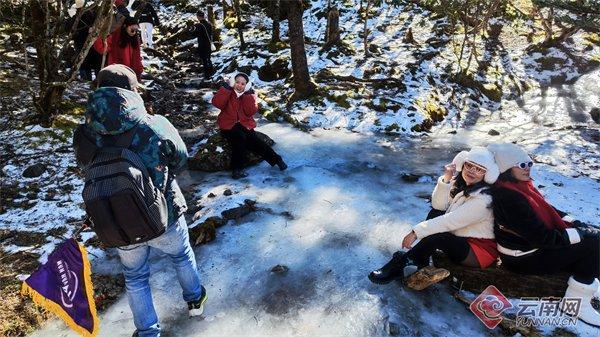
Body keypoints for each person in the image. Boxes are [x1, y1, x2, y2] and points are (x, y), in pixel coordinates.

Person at [78, 64, 206, 337]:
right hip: (163, 213)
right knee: (181, 255)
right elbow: (181, 158)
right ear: (132, 91)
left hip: (117, 219)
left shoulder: (85, 133)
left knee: (135, 277)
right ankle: (195, 300)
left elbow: (85, 166)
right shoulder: (153, 124)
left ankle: (148, 332)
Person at [487, 142, 600, 327]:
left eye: (529, 163)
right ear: (507, 168)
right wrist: (579, 234)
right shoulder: (508, 196)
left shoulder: (521, 187)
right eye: (522, 165)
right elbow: (542, 237)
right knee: (594, 243)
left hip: (529, 248)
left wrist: (576, 223)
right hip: (522, 257)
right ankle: (576, 305)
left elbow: (550, 210)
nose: (527, 168)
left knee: (593, 234)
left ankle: (586, 280)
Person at [369, 147, 500, 285]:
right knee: (434, 214)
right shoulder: (463, 184)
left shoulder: (484, 199)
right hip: (461, 237)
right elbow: (438, 206)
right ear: (463, 164)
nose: (472, 171)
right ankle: (419, 260)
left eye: (479, 169)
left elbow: (450, 221)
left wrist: (415, 232)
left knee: (438, 235)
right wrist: (447, 179)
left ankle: (402, 264)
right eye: (469, 165)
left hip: (478, 252)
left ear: (487, 174)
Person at [211, 72, 287, 179]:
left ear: (246, 85)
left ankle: (277, 160)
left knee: (255, 140)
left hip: (244, 124)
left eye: (243, 84)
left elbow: (250, 112)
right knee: (239, 139)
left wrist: (248, 96)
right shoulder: (228, 91)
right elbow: (217, 103)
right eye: (237, 82)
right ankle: (237, 169)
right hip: (228, 125)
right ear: (233, 82)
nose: (239, 85)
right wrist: (226, 88)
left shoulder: (249, 94)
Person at [94, 16, 143, 81]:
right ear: (125, 26)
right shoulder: (115, 37)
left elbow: (137, 57)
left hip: (131, 73)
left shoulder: (135, 39)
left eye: (136, 30)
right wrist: (97, 37)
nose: (134, 32)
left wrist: (139, 70)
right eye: (132, 29)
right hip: (117, 72)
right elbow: (102, 49)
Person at [67, 0, 102, 81]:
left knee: (85, 62)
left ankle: (89, 80)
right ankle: (88, 79)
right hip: (84, 42)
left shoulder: (90, 15)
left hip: (87, 42)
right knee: (85, 62)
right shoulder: (77, 17)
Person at [191, 10, 214, 79]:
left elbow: (193, 35)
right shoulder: (209, 24)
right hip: (209, 44)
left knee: (204, 60)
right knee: (208, 59)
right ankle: (212, 73)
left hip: (202, 44)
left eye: (197, 16)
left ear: (198, 16)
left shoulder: (198, 25)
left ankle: (207, 76)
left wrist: (190, 29)